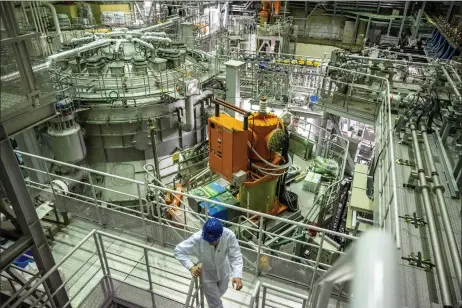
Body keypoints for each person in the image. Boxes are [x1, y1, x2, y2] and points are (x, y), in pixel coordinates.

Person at [174, 218, 243, 308]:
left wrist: (237, 275)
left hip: (223, 272)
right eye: (208, 240)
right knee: (216, 304)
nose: (210, 242)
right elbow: (178, 250)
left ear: (220, 235)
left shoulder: (229, 236)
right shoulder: (197, 238)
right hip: (207, 275)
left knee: (218, 295)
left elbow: (235, 255)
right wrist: (191, 267)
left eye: (213, 240)